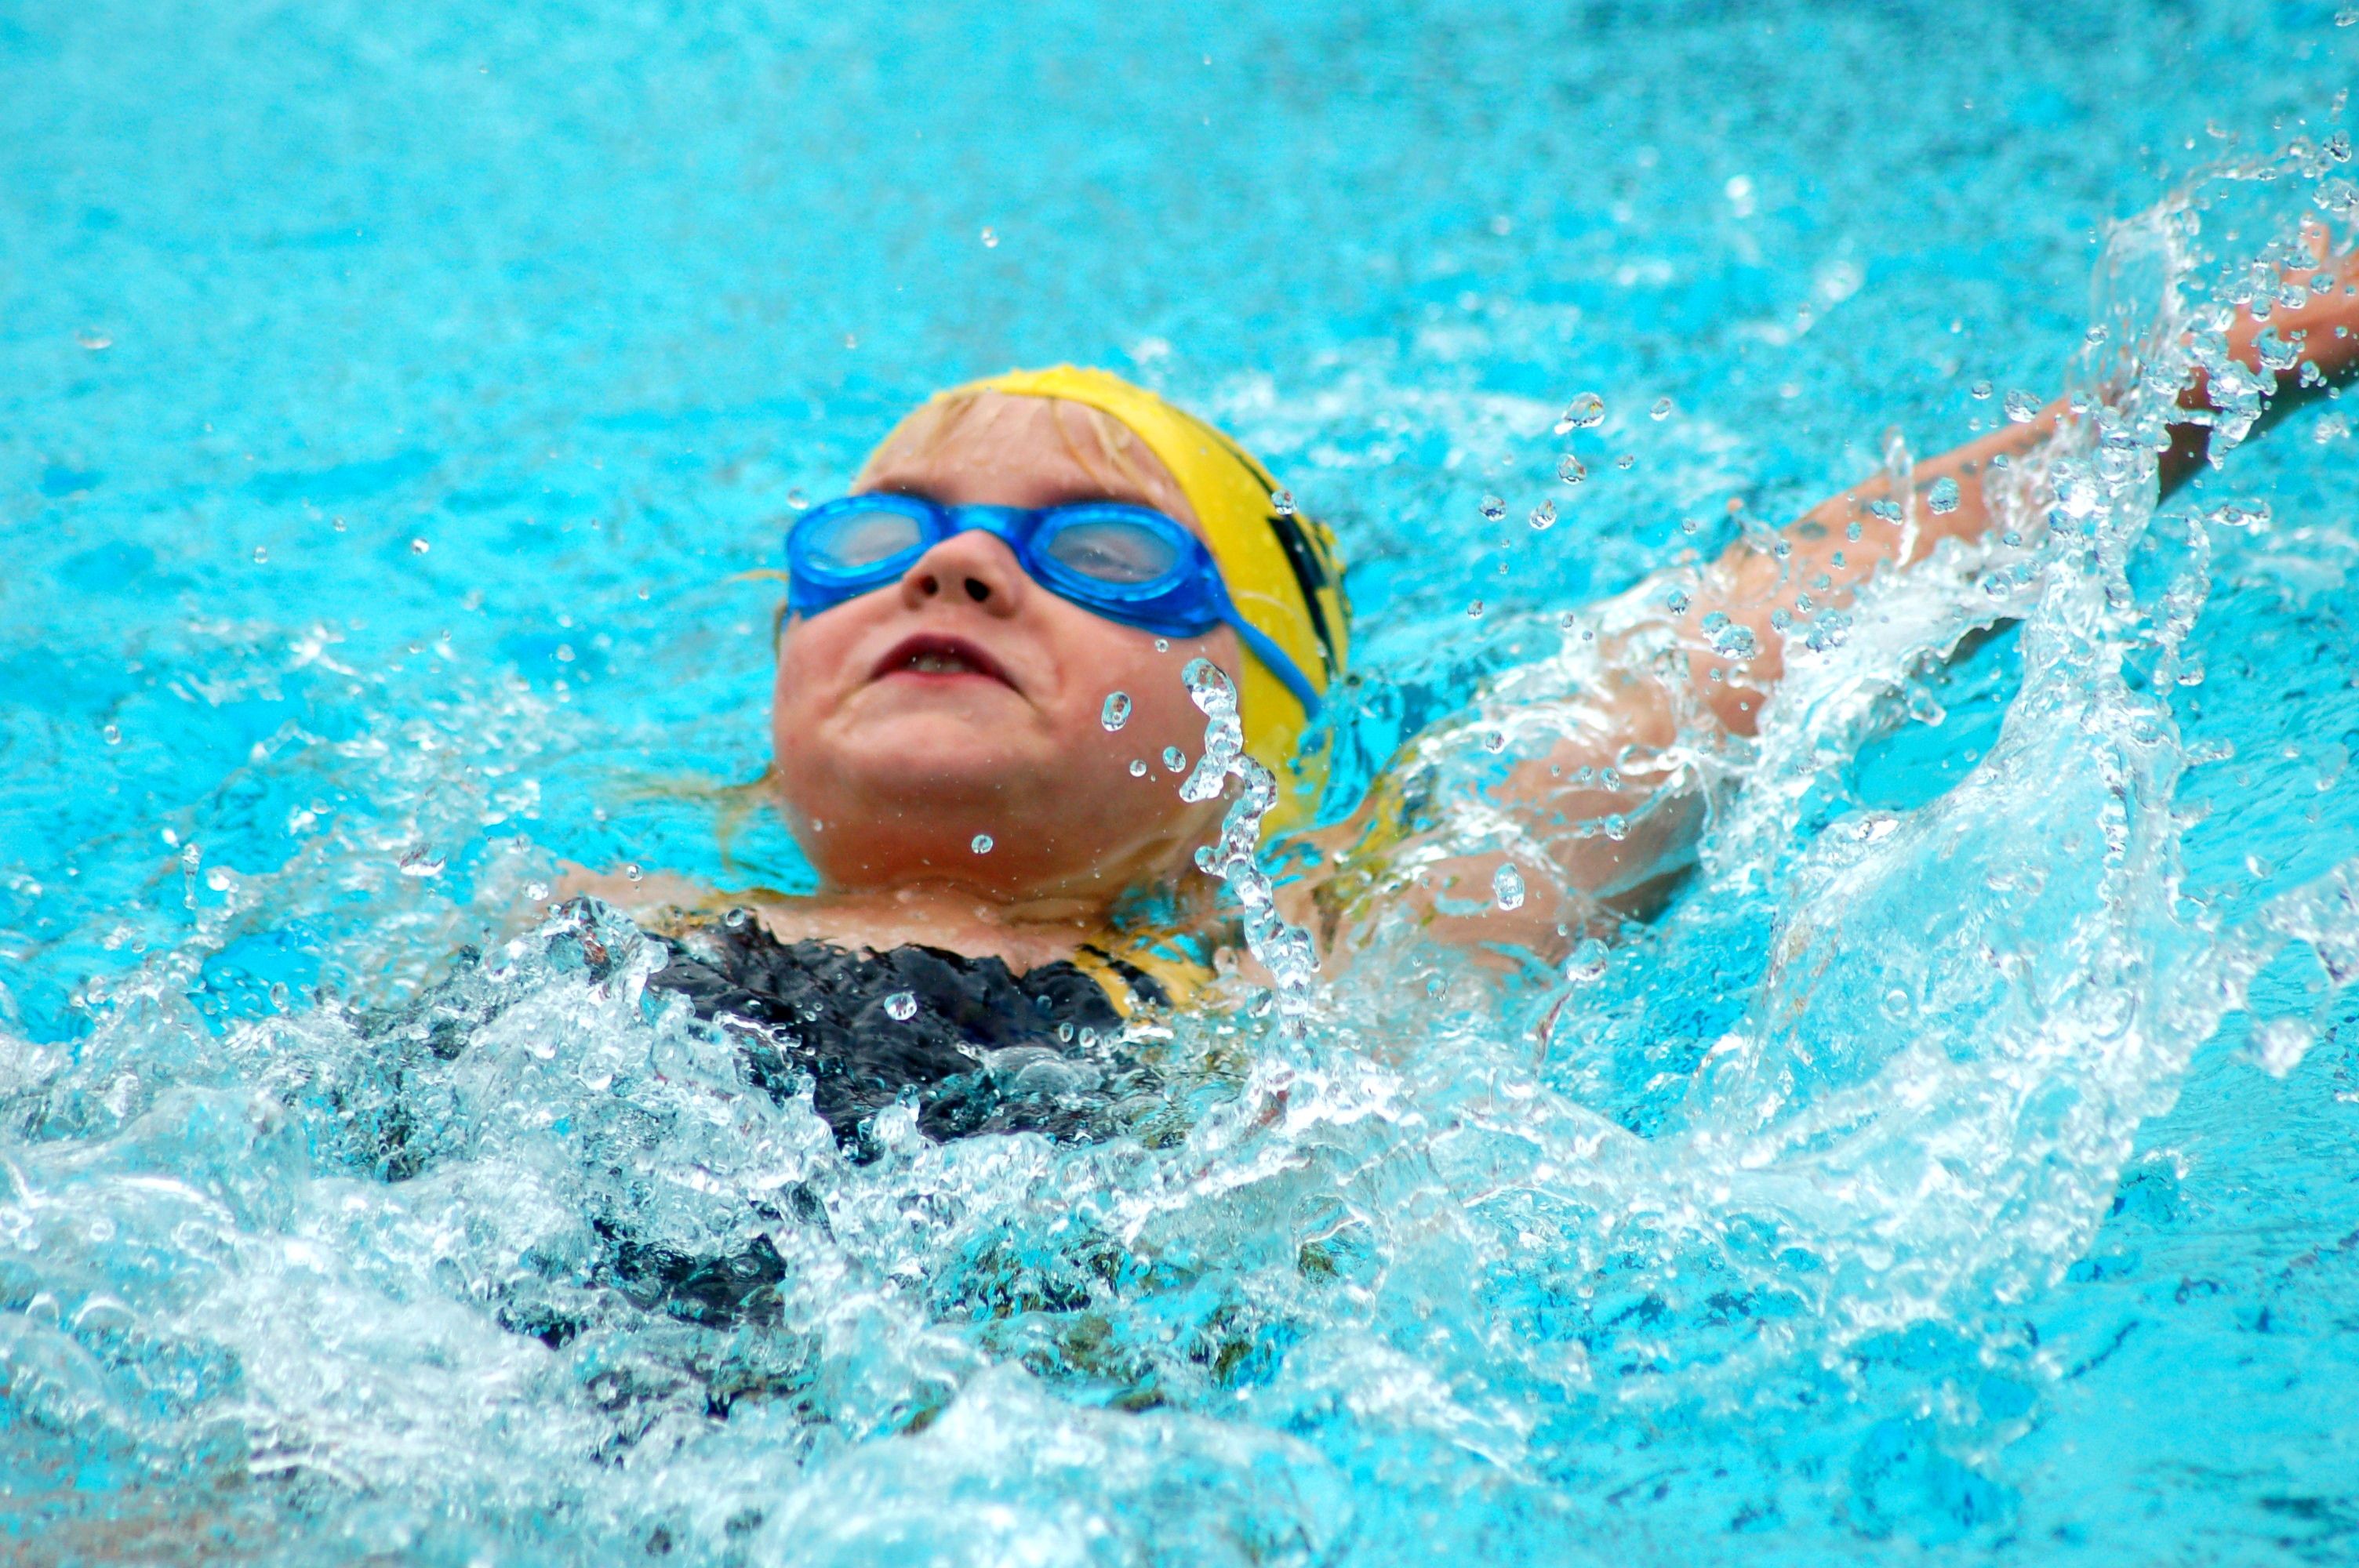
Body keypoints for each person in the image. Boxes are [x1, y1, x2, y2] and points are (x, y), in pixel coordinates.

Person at [552, 238, 2359, 1155]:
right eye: (877, 539)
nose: (949, 572)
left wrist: (2258, 349)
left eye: (1100, 554)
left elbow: (1740, 652)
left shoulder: (1305, 968)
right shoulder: (568, 932)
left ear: (1239, 739)